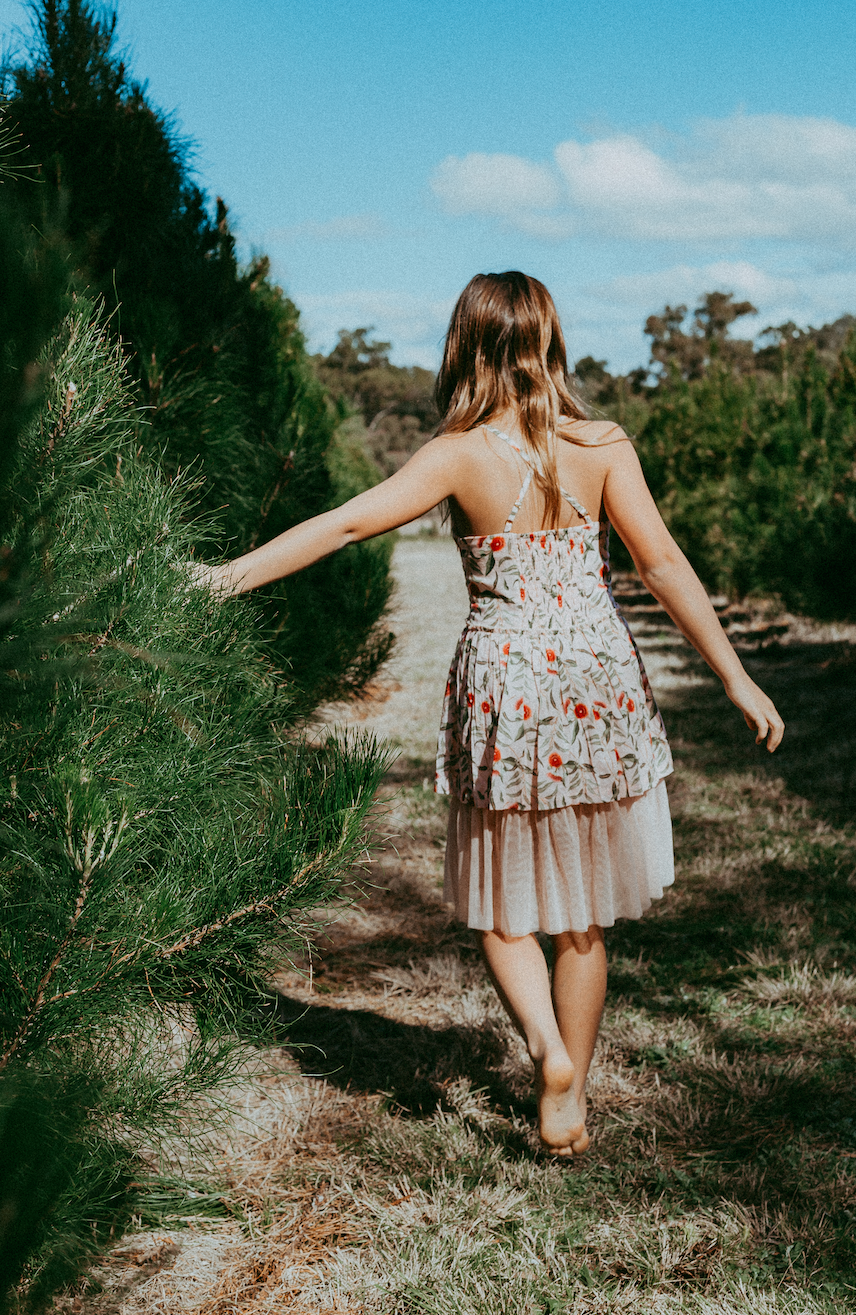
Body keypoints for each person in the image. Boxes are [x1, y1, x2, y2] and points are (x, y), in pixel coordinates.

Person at [192, 271, 783, 1158]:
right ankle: (568, 1098)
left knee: (504, 910)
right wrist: (735, 675)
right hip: (595, 679)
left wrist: (221, 579)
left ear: (465, 347)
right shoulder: (602, 442)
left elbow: (347, 525)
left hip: (506, 683)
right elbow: (661, 563)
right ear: (550, 341)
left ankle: (545, 1051)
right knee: (583, 914)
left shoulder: (459, 453)